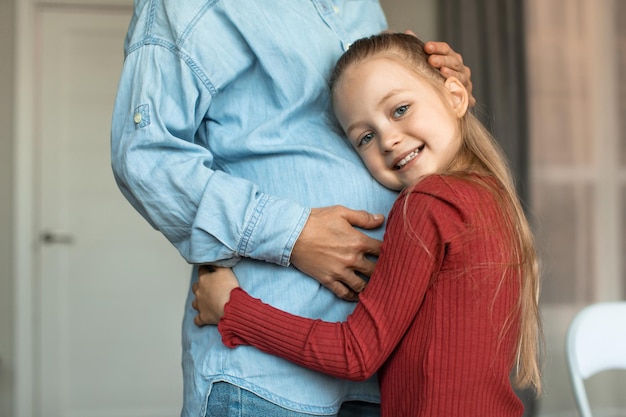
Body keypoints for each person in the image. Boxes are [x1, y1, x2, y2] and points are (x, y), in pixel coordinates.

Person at [110, 1, 474, 415]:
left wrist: (438, 89)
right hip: (267, 375)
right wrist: (295, 234)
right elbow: (146, 157)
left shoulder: (360, 7)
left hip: (383, 372)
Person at [191, 33, 542, 417]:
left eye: (400, 109)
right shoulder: (492, 196)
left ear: (456, 96)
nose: (389, 140)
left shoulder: (426, 205)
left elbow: (355, 353)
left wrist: (233, 309)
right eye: (365, 137)